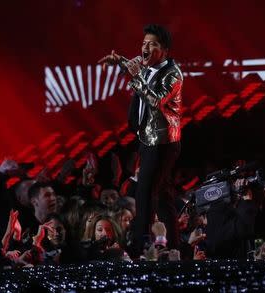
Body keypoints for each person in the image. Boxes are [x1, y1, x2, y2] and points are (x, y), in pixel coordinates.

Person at [98, 24, 183, 254]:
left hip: (162, 143)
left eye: (152, 44)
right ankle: (174, 247)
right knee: (163, 196)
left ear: (164, 50)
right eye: (144, 43)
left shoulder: (173, 74)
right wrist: (119, 61)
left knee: (145, 193)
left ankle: (140, 249)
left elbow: (156, 101)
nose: (145, 47)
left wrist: (136, 76)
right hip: (147, 138)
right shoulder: (148, 66)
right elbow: (134, 65)